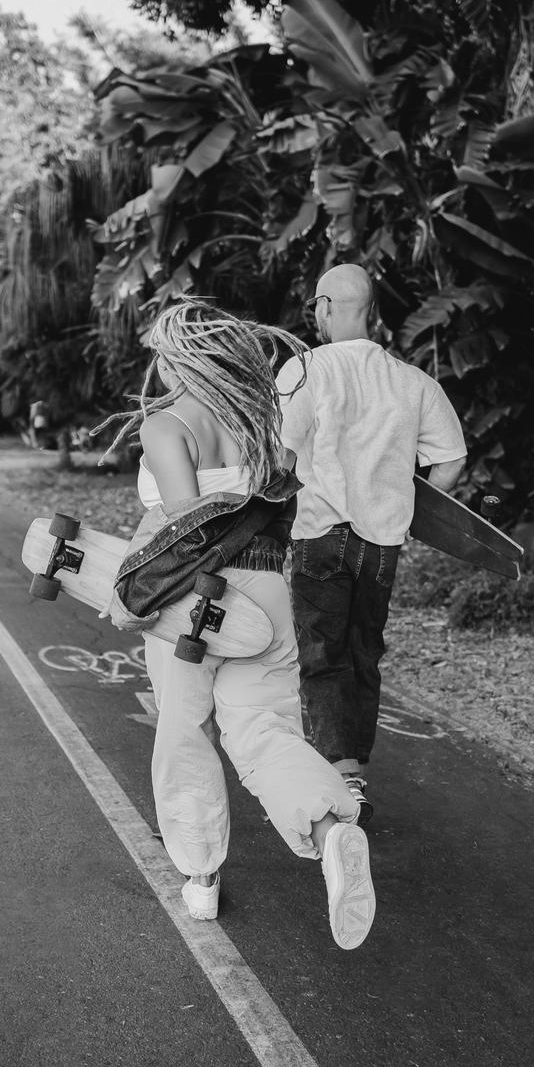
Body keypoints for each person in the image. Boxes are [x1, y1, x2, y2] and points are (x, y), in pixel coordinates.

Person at [100, 299, 377, 950]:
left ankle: (201, 875)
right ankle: (331, 828)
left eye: (161, 357)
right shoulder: (265, 415)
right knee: (263, 731)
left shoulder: (168, 425)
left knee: (184, 731)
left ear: (179, 355)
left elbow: (185, 528)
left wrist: (128, 595)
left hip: (200, 605)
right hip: (271, 594)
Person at [276, 264, 467, 825]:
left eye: (317, 306)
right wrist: (407, 506)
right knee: (363, 654)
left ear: (326, 306)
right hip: (382, 543)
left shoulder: (304, 369)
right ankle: (351, 775)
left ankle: (338, 779)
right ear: (373, 311)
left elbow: (283, 459)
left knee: (321, 656)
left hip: (320, 535)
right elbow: (451, 459)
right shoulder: (412, 381)